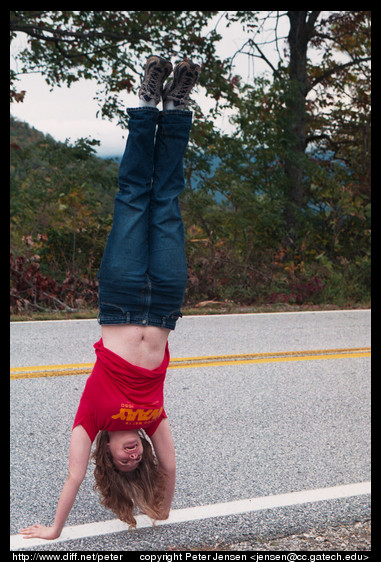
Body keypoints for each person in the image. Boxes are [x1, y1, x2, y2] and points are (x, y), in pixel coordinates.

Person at [20, 55, 200, 540]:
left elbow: (74, 476)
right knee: (166, 199)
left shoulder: (91, 420)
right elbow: (170, 466)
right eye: (134, 459)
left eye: (123, 461)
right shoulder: (153, 420)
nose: (132, 457)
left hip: (119, 298)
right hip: (164, 301)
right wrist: (159, 507)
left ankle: (146, 105)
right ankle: (179, 109)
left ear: (107, 452)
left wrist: (54, 529)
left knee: (132, 196)